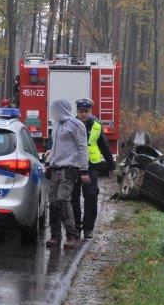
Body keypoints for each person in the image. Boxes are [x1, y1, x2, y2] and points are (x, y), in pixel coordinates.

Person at [45, 98, 88, 249]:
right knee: (53, 201)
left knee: (63, 199)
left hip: (71, 168)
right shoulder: (56, 126)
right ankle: (55, 236)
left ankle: (72, 234)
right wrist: (48, 162)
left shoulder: (77, 125)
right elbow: (55, 148)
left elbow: (82, 148)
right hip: (56, 167)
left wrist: (84, 170)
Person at [71, 98, 115, 240]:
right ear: (76, 111)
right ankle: (76, 227)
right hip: (73, 164)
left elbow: (104, 145)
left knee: (91, 195)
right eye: (80, 111)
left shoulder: (96, 125)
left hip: (91, 166)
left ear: (90, 111)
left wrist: (111, 165)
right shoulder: (71, 124)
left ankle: (88, 228)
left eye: (86, 111)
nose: (83, 114)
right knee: (73, 198)